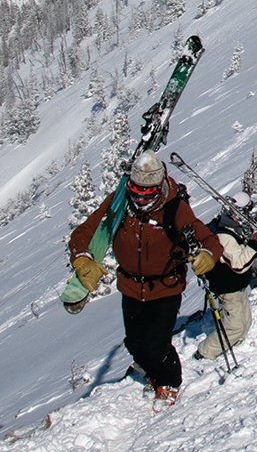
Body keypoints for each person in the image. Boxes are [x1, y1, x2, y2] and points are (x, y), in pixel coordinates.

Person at [69, 150, 224, 406]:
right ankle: (152, 371)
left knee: (156, 343)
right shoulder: (120, 204)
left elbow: (208, 239)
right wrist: (82, 258)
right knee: (134, 341)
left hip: (165, 287)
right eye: (135, 189)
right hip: (131, 286)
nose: (140, 198)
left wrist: (207, 255)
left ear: (159, 186)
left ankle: (169, 381)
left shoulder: (174, 207)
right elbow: (86, 230)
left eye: (147, 192)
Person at [194, 213, 257, 361]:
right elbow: (239, 264)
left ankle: (235, 345)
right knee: (235, 327)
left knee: (245, 322)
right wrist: (256, 244)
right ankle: (204, 353)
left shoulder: (233, 229)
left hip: (238, 286)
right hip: (228, 288)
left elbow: (240, 252)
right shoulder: (224, 236)